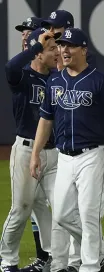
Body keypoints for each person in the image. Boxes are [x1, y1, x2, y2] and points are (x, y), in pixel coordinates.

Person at [29, 28, 104, 272]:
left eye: (70, 46)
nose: (64, 50)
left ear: (83, 50)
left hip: (93, 155)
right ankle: (100, 249)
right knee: (62, 216)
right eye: (62, 46)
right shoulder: (55, 81)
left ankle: (90, 266)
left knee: (88, 214)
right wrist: (35, 153)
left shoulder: (101, 81)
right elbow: (45, 120)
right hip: (64, 157)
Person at [0, 28, 61, 272]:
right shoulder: (23, 77)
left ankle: (53, 259)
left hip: (55, 152)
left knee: (60, 210)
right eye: (51, 49)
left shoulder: (58, 79)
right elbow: (10, 68)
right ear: (38, 53)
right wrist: (37, 46)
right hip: (25, 150)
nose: (57, 52)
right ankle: (7, 260)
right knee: (21, 208)